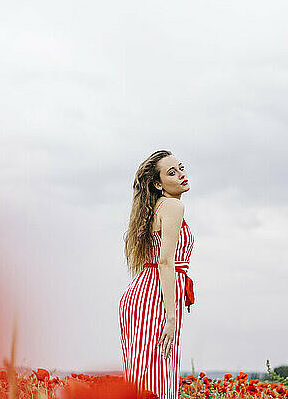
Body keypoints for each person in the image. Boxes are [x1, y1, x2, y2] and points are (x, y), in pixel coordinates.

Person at [118, 150, 195, 399]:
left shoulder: (155, 208)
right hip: (156, 298)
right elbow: (165, 262)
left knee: (143, 374)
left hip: (143, 293)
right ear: (158, 183)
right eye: (172, 172)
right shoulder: (173, 205)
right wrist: (171, 317)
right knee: (157, 377)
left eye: (181, 168)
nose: (181, 175)